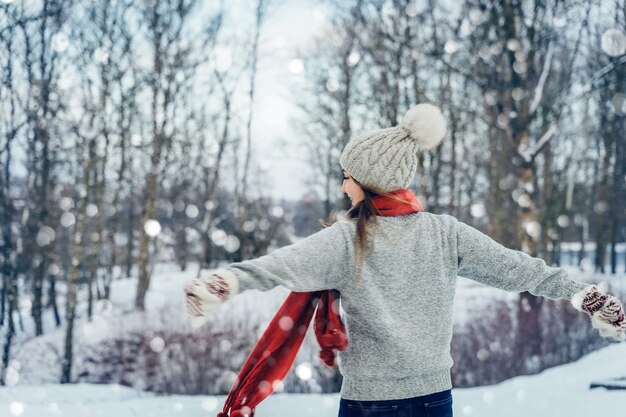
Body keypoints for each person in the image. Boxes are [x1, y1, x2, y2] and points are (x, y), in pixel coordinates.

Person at [184, 103, 626, 417]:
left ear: (370, 181)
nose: (343, 187)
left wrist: (225, 283)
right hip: (435, 399)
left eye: (347, 178)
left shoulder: (346, 239)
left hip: (370, 403)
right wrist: (581, 294)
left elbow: (281, 264)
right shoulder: (444, 232)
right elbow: (519, 269)